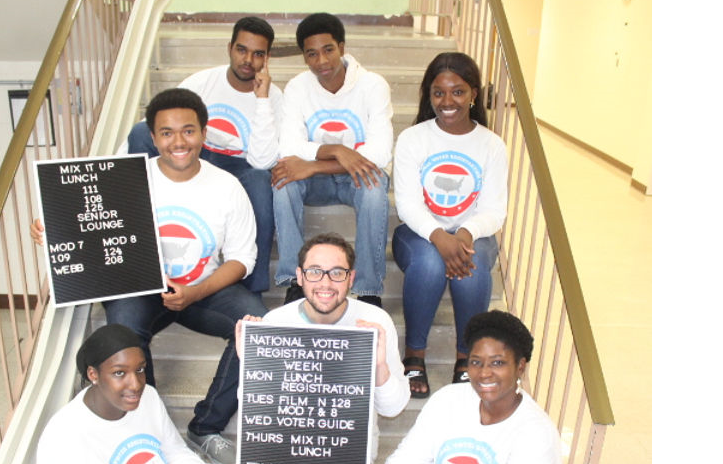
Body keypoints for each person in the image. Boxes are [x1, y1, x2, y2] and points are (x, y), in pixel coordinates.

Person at [32, 88, 267, 464]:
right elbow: (89, 229)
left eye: (188, 131)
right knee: (122, 327)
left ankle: (205, 427)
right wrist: (55, 231)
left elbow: (243, 259)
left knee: (257, 326)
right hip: (141, 288)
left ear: (203, 134)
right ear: (154, 137)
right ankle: (144, 422)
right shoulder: (125, 181)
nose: (179, 141)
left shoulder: (227, 186)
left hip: (200, 289)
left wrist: (194, 292)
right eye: (167, 133)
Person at [122, 16, 282, 297]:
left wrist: (262, 99)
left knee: (260, 181)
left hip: (241, 164)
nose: (248, 60)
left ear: (267, 58)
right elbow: (164, 122)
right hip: (199, 150)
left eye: (258, 54)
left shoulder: (274, 97)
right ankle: (133, 222)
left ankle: (251, 287)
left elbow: (263, 160)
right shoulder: (203, 81)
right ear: (230, 47)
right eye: (242, 50)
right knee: (138, 131)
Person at [236, 233, 409, 463]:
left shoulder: (375, 322)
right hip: (284, 454)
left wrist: (379, 367)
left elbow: (392, 409)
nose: (325, 283)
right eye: (314, 272)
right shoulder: (275, 323)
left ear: (351, 278)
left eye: (337, 273)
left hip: (348, 455)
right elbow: (259, 413)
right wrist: (251, 366)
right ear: (299, 276)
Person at [391, 52, 507, 398]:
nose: (447, 101)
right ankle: (414, 355)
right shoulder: (414, 138)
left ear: (473, 93)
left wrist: (465, 233)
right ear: (429, 95)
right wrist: (440, 236)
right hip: (418, 234)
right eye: (438, 92)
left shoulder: (491, 144)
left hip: (475, 235)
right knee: (428, 262)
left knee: (470, 266)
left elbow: (494, 210)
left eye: (457, 91)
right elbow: (408, 204)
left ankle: (465, 358)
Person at [271, 13, 393, 308]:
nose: (321, 61)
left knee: (375, 188)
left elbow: (380, 153)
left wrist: (313, 163)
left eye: (328, 50)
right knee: (282, 180)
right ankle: (293, 280)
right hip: (316, 183)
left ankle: (368, 289)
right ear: (304, 57)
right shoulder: (298, 87)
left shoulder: (373, 85)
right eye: (311, 54)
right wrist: (338, 150)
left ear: (342, 47)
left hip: (356, 178)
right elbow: (289, 146)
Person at [385, 310, 562, 463]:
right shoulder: (447, 400)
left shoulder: (536, 432)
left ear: (520, 367)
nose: (484, 373)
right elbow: (405, 459)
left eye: (498, 363)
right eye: (476, 362)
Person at [36, 324, 205, 463]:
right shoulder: (63, 436)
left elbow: (175, 452)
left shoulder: (149, 396)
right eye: (119, 373)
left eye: (139, 369)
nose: (136, 384)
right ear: (93, 374)